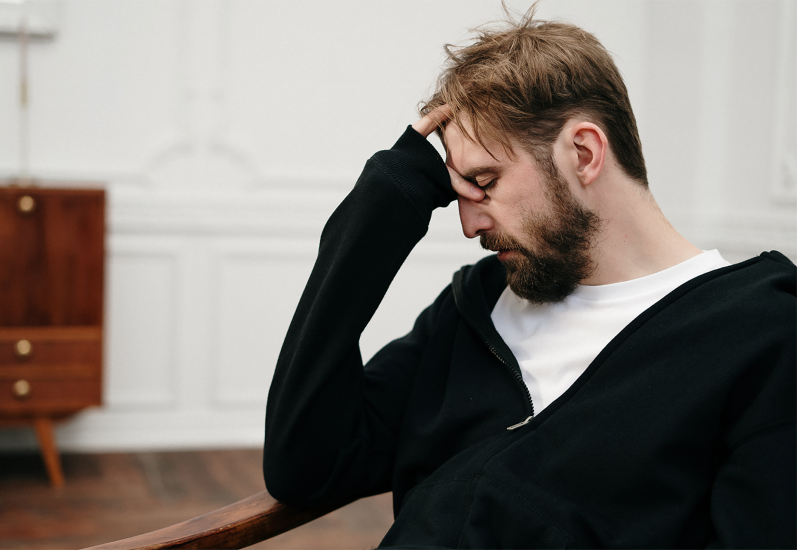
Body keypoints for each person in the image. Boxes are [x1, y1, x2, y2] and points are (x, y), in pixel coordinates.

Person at [263, 8, 797, 549]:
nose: (469, 223)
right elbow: (305, 466)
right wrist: (381, 207)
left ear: (583, 153)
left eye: (484, 181)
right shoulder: (476, 308)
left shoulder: (760, 335)